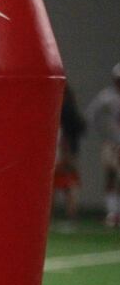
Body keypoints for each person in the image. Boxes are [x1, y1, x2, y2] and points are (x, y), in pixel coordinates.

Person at [86, 63, 120, 227]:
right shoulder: (107, 97)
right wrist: (104, 132)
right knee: (111, 176)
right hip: (112, 143)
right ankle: (112, 213)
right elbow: (92, 115)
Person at [52, 84, 86, 221]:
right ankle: (69, 215)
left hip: (62, 152)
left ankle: (64, 216)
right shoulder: (69, 109)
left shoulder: (64, 109)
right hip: (65, 152)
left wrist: (66, 154)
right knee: (66, 185)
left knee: (65, 184)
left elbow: (66, 135)